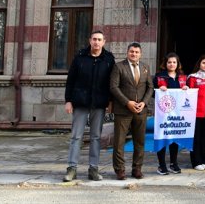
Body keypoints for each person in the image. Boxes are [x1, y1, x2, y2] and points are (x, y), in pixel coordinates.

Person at [63, 30, 116, 182]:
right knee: (76, 137)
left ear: (104, 42)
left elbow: (111, 83)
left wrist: (110, 102)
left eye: (99, 39)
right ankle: (71, 169)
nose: (96, 42)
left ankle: (93, 169)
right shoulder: (80, 57)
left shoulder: (108, 59)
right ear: (90, 40)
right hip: (80, 102)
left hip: (99, 103)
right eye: (94, 39)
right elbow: (71, 80)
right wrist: (68, 100)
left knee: (96, 137)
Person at [109, 42, 152, 180]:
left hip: (141, 111)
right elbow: (114, 87)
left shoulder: (145, 67)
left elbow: (150, 87)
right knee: (119, 141)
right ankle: (120, 170)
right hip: (123, 110)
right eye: (131, 51)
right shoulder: (118, 66)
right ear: (127, 52)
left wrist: (144, 102)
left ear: (140, 54)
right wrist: (127, 102)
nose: (134, 54)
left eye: (136, 52)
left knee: (139, 141)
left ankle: (137, 169)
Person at [155, 52, 189, 175]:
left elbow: (187, 96)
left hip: (177, 113)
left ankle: (173, 163)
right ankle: (161, 165)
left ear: (177, 64)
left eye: (174, 62)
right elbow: (153, 93)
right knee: (163, 137)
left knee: (174, 138)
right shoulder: (159, 76)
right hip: (163, 114)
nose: (172, 64)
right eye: (169, 62)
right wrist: (159, 90)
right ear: (165, 63)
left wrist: (186, 89)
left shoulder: (182, 77)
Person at [187, 54, 205, 170]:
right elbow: (189, 95)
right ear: (199, 64)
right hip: (195, 113)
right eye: (203, 63)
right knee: (196, 138)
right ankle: (195, 162)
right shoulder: (193, 77)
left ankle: (202, 160)